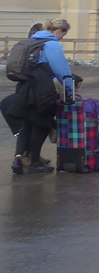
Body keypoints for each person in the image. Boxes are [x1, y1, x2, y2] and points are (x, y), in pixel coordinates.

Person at [11, 17, 75, 175]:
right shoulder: (52, 44)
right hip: (42, 90)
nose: (63, 37)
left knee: (27, 124)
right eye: (64, 33)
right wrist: (69, 90)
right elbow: (61, 71)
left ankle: (18, 159)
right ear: (58, 30)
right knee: (42, 124)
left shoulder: (31, 41)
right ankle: (35, 163)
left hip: (24, 88)